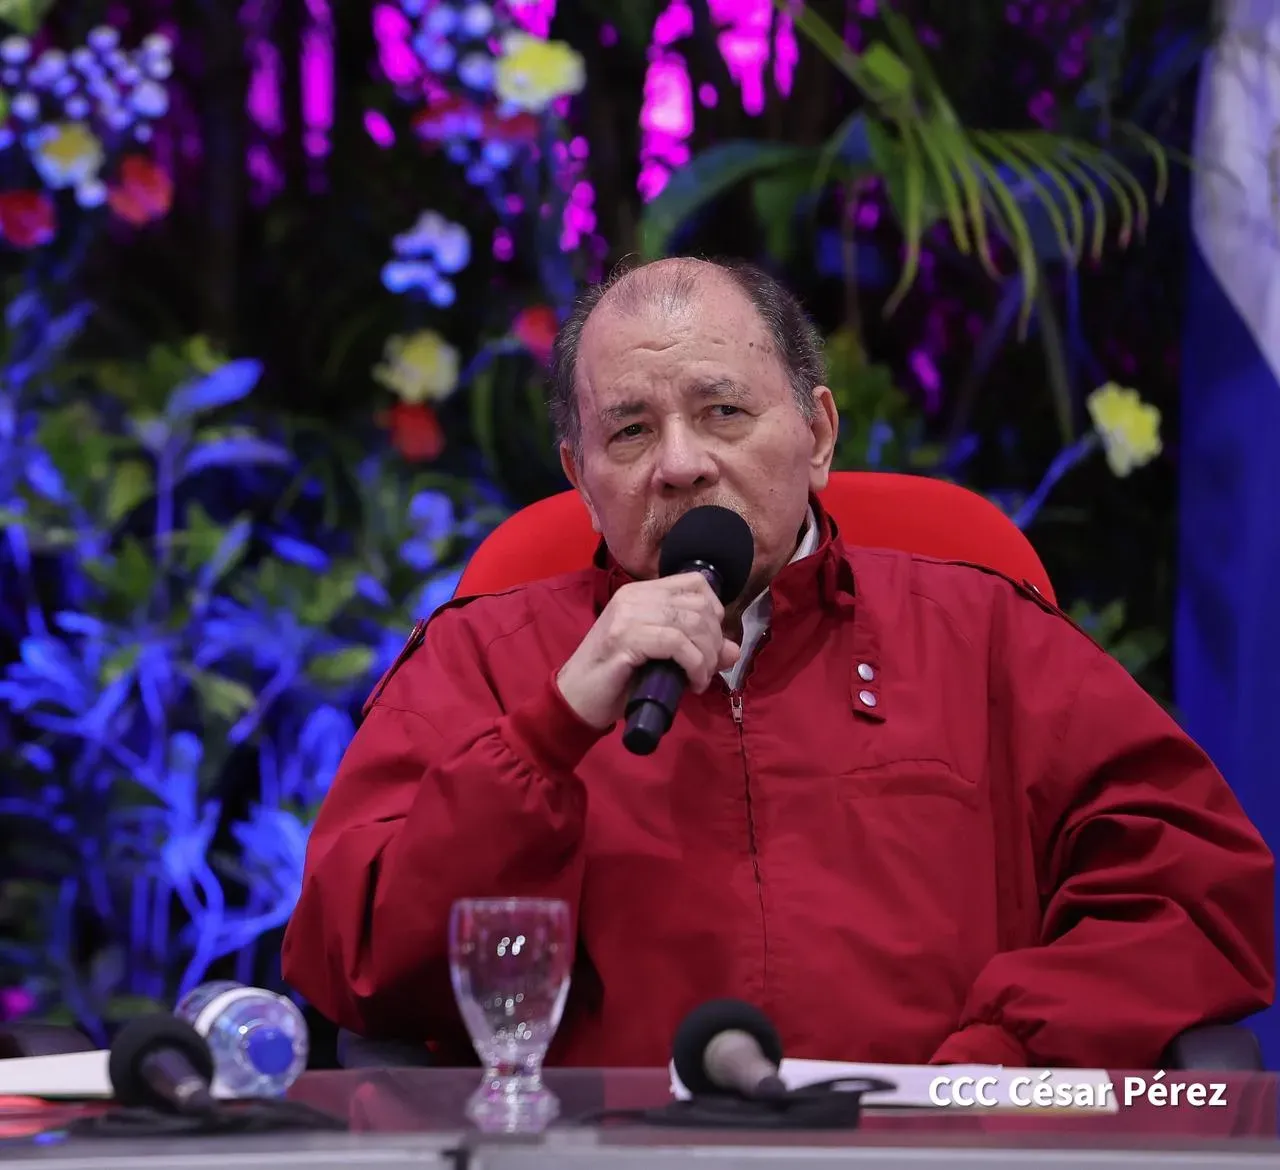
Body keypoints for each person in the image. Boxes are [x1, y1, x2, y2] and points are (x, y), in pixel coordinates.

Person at [281, 257, 1274, 1069]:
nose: (679, 464)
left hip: (935, 1152)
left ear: (818, 435)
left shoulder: (982, 637)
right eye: (630, 431)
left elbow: (1193, 895)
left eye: (723, 412)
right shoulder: (484, 660)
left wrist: (1007, 1050)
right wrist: (549, 733)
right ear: (580, 477)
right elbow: (353, 960)